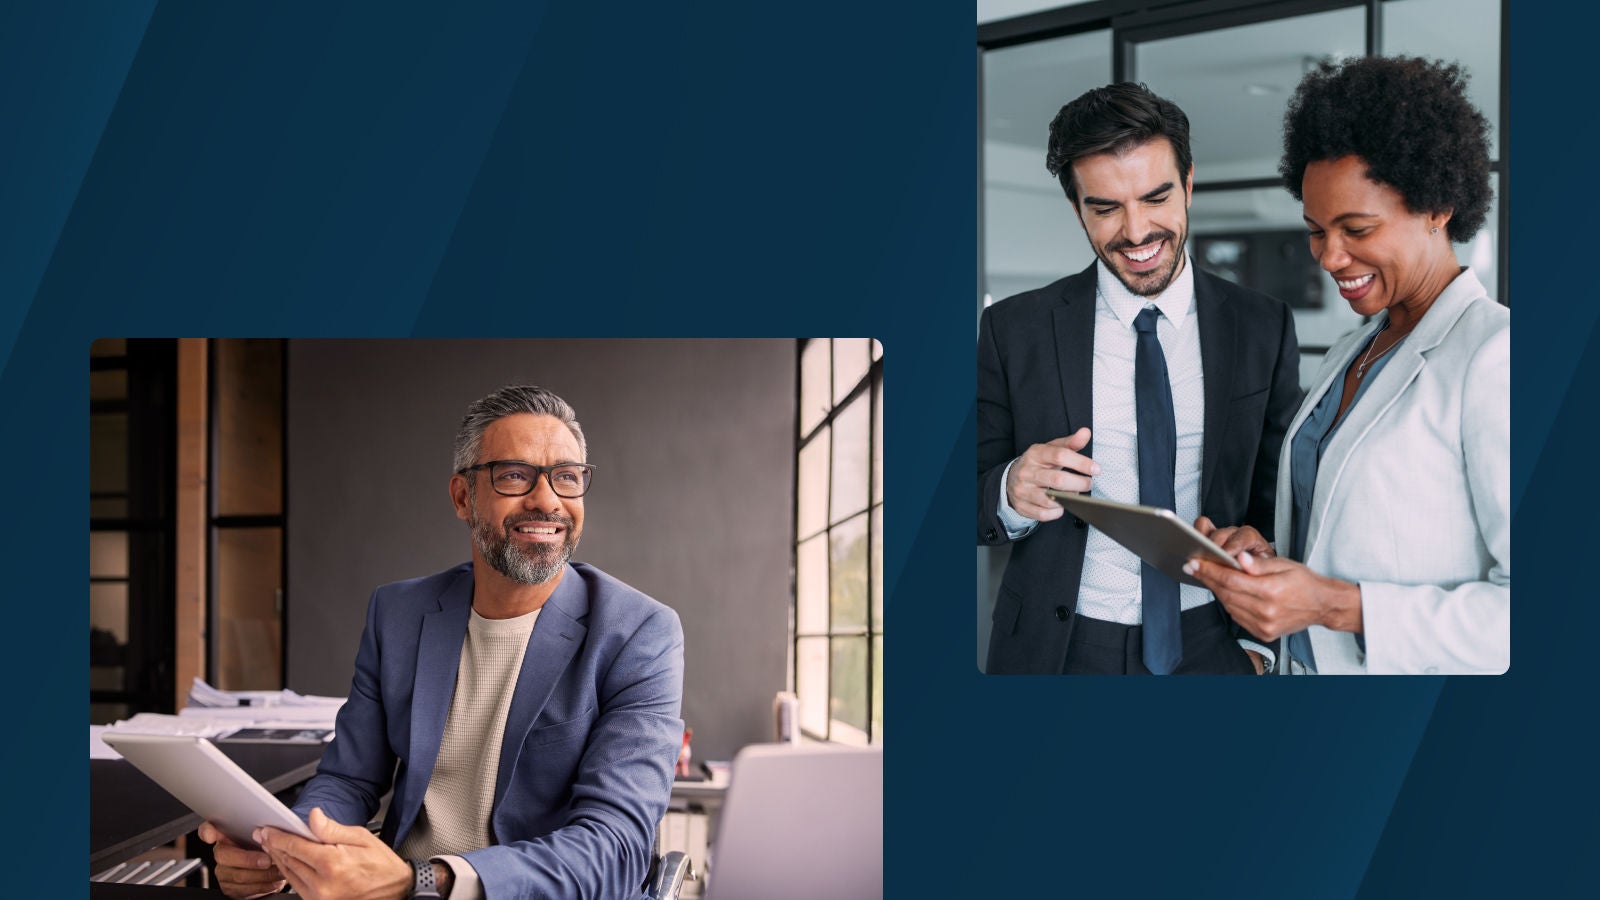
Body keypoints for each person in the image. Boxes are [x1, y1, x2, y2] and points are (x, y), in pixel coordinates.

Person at [198, 385, 686, 897]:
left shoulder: (639, 633)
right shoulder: (398, 613)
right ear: (462, 497)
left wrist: (425, 879)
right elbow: (348, 780)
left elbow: (616, 847)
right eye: (514, 475)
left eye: (566, 477)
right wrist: (283, 849)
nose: (546, 501)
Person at [1186, 56, 1509, 675]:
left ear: (1437, 208)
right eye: (1316, 230)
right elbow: (1354, 530)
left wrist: (1334, 606)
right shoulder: (1353, 349)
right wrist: (1271, 557)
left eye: (1356, 228)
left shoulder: (1496, 356)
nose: (1330, 257)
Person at [978, 82, 1302, 675]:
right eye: (1105, 208)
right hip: (1059, 650)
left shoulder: (1263, 325)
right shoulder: (1013, 329)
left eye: (1156, 198)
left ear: (1189, 184)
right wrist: (1010, 490)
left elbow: (1280, 496)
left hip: (1214, 642)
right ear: (1077, 207)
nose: (1135, 232)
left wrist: (1258, 650)